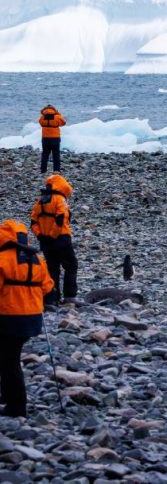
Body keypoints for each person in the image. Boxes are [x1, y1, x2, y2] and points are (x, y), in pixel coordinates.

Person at [0, 220, 54, 417]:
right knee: (9, 356)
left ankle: (16, 407)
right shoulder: (37, 259)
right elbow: (48, 287)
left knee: (9, 360)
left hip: (8, 317)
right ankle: (6, 395)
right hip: (32, 318)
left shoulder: (2, 259)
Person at [30, 174, 78, 305]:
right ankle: (70, 296)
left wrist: (41, 236)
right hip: (61, 239)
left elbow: (33, 222)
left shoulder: (40, 202)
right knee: (71, 265)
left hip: (45, 242)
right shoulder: (60, 199)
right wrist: (53, 235)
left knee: (52, 268)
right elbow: (60, 220)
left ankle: (53, 298)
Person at [38, 105, 66, 174]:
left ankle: (43, 170)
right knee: (56, 155)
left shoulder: (42, 117)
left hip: (45, 138)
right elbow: (63, 122)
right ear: (54, 110)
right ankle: (56, 170)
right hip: (55, 138)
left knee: (45, 155)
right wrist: (58, 113)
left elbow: (40, 123)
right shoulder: (57, 117)